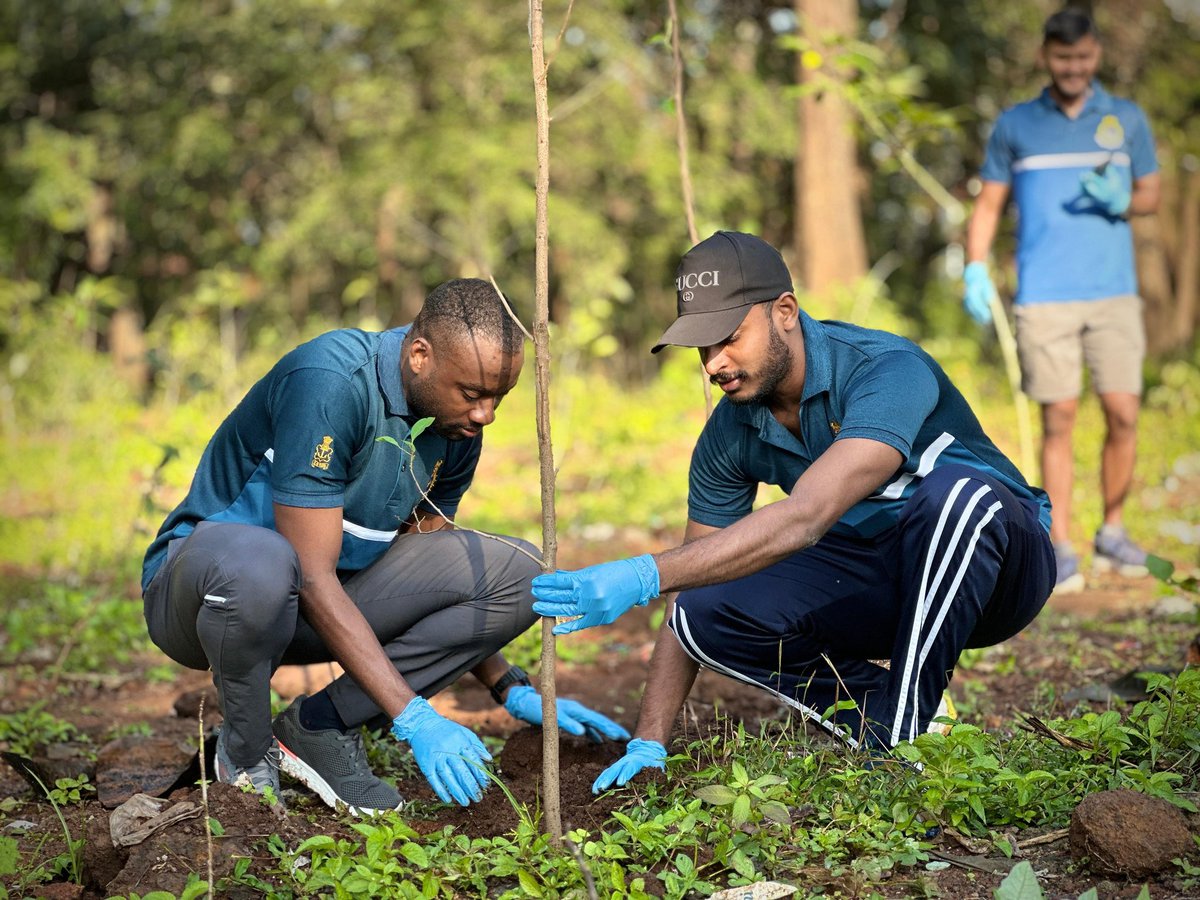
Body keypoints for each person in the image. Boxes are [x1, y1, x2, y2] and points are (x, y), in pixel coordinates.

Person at [531, 231, 1055, 791]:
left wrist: (641, 574)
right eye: (702, 349)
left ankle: (905, 740)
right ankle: (890, 711)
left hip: (997, 570)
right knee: (698, 613)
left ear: (785, 311)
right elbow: (692, 576)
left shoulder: (887, 370)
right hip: (880, 580)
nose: (715, 364)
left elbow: (808, 516)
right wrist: (649, 739)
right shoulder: (730, 432)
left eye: (729, 338)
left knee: (953, 497)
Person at [141, 278, 627, 815]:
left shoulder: (454, 423)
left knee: (516, 572)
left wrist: (507, 685)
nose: (486, 414)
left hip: (312, 607)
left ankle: (321, 728)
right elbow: (311, 574)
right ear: (420, 355)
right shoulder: (330, 382)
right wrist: (412, 715)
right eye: (473, 394)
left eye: (498, 398)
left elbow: (425, 568)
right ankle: (247, 753)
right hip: (205, 597)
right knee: (266, 562)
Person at [961, 9, 1160, 594]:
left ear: (1097, 55)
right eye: (1062, 57)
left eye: (1083, 58)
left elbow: (1150, 194)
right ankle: (1062, 544)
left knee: (1123, 412)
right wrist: (974, 264)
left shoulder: (1126, 120)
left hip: (1113, 294)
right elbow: (990, 205)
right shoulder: (1016, 125)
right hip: (1044, 296)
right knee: (1059, 419)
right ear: (1046, 56)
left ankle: (1114, 531)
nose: (1073, 68)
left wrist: (1125, 198)